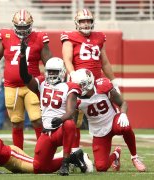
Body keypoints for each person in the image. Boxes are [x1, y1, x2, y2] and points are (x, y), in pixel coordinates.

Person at [19, 41, 88, 176]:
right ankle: (74, 158)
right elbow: (25, 77)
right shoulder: (41, 84)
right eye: (49, 71)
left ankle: (65, 163)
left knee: (69, 124)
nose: (51, 74)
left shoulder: (70, 87)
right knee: (39, 168)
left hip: (61, 129)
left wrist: (61, 119)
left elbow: (70, 111)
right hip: (47, 132)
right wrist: (22, 56)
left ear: (61, 72)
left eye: (54, 71)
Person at [0, 9, 52, 150]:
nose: (22, 30)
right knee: (16, 122)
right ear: (14, 25)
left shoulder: (39, 37)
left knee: (37, 120)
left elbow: (50, 62)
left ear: (31, 25)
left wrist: (53, 80)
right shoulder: (5, 35)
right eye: (19, 27)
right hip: (11, 86)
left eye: (25, 27)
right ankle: (19, 154)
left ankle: (44, 151)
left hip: (32, 86)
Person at [60, 8, 121, 159]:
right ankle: (74, 151)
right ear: (77, 23)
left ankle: (108, 152)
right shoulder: (70, 37)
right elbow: (67, 59)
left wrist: (113, 81)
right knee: (73, 119)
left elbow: (104, 62)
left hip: (96, 86)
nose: (86, 24)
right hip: (78, 83)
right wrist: (73, 74)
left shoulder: (99, 37)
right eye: (82, 21)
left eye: (88, 21)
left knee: (106, 116)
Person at [72, 69, 146, 172]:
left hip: (112, 121)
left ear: (89, 81)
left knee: (125, 127)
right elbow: (73, 121)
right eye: (78, 85)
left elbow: (122, 103)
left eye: (82, 84)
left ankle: (135, 157)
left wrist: (123, 114)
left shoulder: (103, 86)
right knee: (101, 167)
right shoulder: (75, 98)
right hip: (99, 131)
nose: (80, 88)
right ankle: (116, 155)